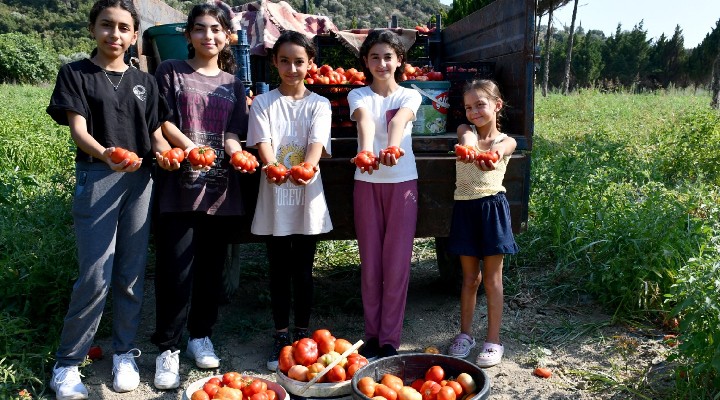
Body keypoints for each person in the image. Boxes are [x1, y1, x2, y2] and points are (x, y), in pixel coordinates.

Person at [45, 0, 172, 398]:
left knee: (132, 272)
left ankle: (124, 352)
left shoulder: (145, 83)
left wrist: (168, 154)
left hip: (141, 181)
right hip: (98, 176)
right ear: (92, 29)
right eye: (106, 25)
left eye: (122, 28)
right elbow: (79, 131)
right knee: (96, 274)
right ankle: (67, 363)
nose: (113, 35)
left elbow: (154, 135)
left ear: (134, 36)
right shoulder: (77, 74)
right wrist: (108, 155)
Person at [150, 3, 249, 389]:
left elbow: (231, 132)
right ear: (188, 35)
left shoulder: (233, 83)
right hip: (179, 187)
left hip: (220, 188)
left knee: (210, 269)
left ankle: (199, 335)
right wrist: (192, 147)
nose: (209, 36)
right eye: (201, 29)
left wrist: (234, 151)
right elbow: (162, 119)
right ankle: (167, 348)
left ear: (226, 37)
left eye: (216, 30)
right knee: (175, 271)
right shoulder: (170, 71)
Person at [245, 30, 333, 371]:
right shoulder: (264, 103)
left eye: (299, 61)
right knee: (278, 268)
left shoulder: (319, 104)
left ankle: (302, 332)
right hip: (275, 199)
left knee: (304, 269)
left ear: (311, 64)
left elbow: (316, 143)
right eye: (285, 61)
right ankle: (281, 334)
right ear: (274, 63)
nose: (292, 68)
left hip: (307, 198)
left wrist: (308, 167)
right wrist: (272, 167)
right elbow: (263, 143)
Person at [348, 30, 422, 360]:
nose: (382, 63)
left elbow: (399, 121)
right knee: (371, 266)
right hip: (367, 185)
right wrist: (366, 152)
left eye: (388, 56)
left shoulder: (410, 95)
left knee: (396, 265)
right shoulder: (358, 95)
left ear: (399, 61)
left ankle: (390, 339)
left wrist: (392, 147)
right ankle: (372, 335)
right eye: (375, 57)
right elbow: (365, 122)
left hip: (403, 184)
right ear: (365, 61)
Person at [445, 79, 518, 368]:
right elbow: (465, 139)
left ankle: (493, 340)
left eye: (480, 105)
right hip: (465, 208)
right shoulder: (467, 132)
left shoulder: (505, 141)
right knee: (469, 279)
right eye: (468, 107)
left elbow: (504, 149)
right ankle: (465, 335)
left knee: (492, 279)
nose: (473, 111)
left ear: (497, 106)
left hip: (492, 210)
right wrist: (470, 147)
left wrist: (493, 155)